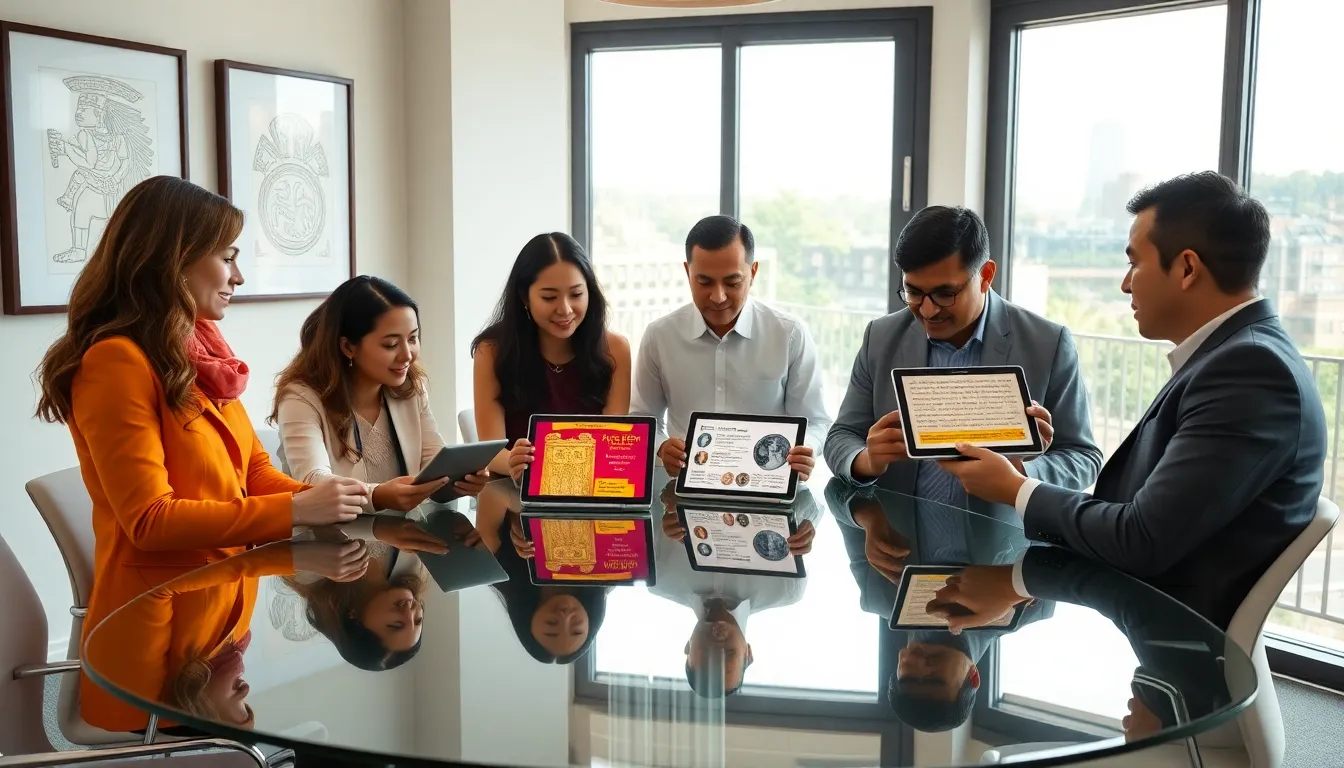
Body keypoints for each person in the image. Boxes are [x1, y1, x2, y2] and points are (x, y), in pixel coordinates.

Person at [33, 176, 365, 727]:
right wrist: (299, 511)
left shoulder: (199, 352)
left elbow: (254, 473)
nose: (238, 276)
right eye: (227, 257)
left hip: (220, 614)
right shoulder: (115, 363)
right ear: (174, 258)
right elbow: (150, 521)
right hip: (157, 644)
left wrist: (342, 497)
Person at [938, 172, 1328, 629]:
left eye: (1134, 263)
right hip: (1134, 597)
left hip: (1174, 637)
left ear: (1186, 268)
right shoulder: (1235, 356)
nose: (1125, 285)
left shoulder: (1251, 372)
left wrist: (1013, 488)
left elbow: (1140, 539)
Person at [824, 206, 1101, 517]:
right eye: (914, 293)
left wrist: (1021, 475)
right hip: (899, 545)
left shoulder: (1048, 344)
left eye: (945, 294)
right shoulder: (881, 336)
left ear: (985, 276)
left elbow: (1083, 457)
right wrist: (867, 460)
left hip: (1001, 553)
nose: (927, 311)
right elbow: (840, 436)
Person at [823, 479, 1052, 732]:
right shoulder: (1032, 607)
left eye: (909, 677)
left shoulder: (877, 596)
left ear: (896, 666)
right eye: (934, 679)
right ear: (973, 677)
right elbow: (1059, 523)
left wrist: (868, 518)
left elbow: (835, 489)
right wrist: (1021, 588)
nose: (922, 665)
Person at [631, 215, 830, 480]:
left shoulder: (789, 334)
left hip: (768, 486)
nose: (718, 296)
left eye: (732, 282)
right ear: (687, 272)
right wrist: (661, 447)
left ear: (754, 272)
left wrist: (808, 448)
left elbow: (817, 421)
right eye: (704, 282)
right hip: (685, 488)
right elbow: (643, 420)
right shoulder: (660, 336)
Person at [273, 276, 487, 512]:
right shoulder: (300, 398)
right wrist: (377, 496)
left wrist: (460, 480)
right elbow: (313, 481)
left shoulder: (411, 388)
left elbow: (432, 464)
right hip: (328, 543)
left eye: (413, 339)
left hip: (404, 540)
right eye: (391, 344)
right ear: (348, 347)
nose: (407, 355)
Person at [472, 233, 632, 480]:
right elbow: (492, 451)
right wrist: (514, 461)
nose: (565, 310)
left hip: (591, 491)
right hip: (516, 495)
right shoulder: (492, 351)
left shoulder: (615, 350)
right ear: (525, 297)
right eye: (549, 297)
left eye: (576, 294)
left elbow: (611, 447)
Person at [654, 483, 819, 697]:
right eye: (729, 653)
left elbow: (646, 488)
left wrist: (665, 498)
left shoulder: (659, 578)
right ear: (748, 653)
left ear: (688, 648)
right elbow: (805, 495)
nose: (717, 642)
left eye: (708, 653)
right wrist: (805, 524)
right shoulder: (784, 589)